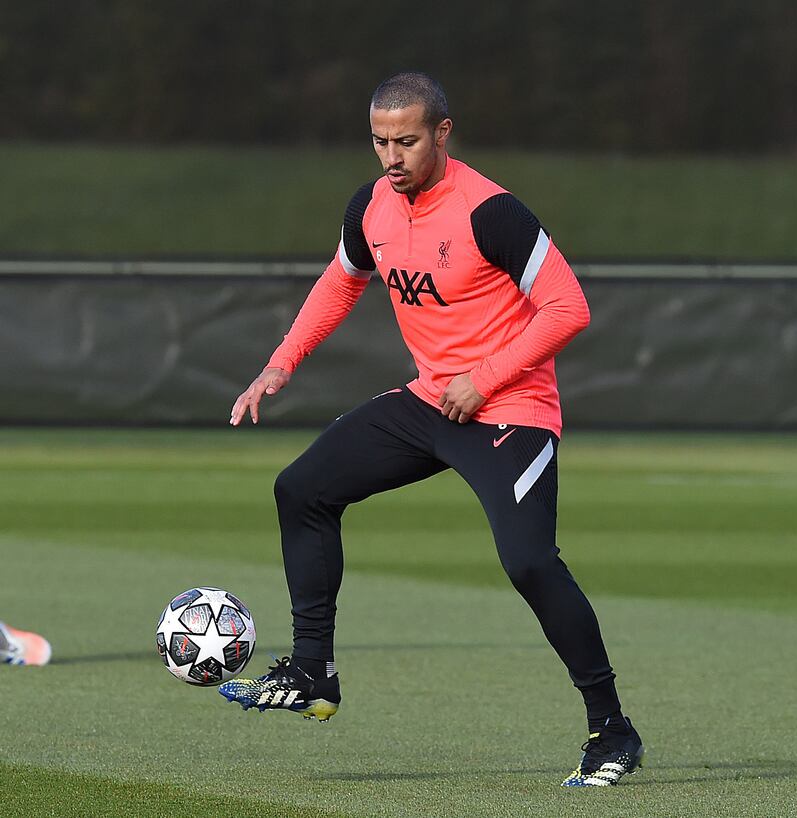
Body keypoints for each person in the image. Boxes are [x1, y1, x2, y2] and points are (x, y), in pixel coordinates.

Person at [219, 72, 644, 787]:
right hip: (429, 402)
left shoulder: (491, 212)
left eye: (407, 140)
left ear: (442, 133)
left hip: (510, 411)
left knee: (530, 563)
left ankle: (612, 730)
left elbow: (568, 307)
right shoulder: (373, 207)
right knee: (303, 488)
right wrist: (279, 363)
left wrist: (486, 377)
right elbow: (341, 279)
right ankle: (314, 671)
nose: (392, 156)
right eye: (381, 140)